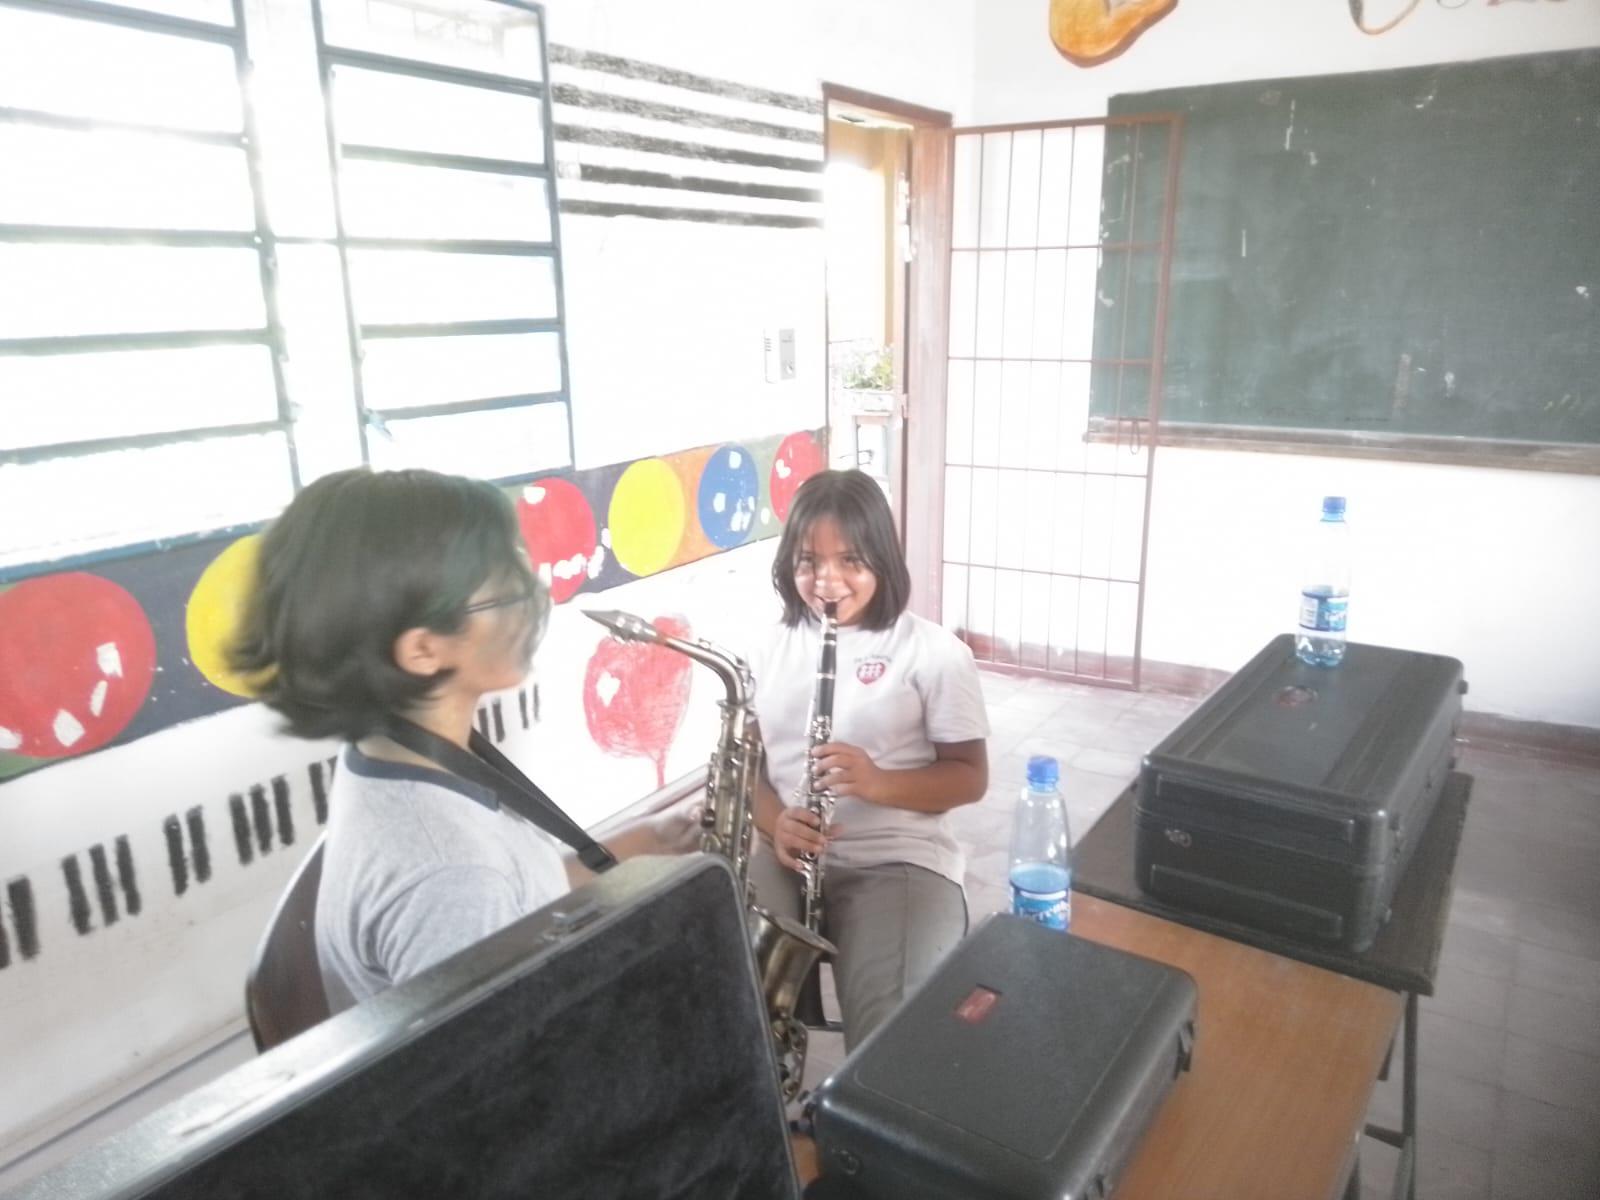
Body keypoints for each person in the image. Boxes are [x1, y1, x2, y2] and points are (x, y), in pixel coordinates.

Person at [233, 467, 695, 1012]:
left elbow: (516, 904)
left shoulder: (390, 753)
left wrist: (636, 844)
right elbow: (509, 1079)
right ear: (423, 650)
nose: (536, 593)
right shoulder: (451, 878)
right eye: (506, 587)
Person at [747, 470, 989, 1051]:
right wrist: (774, 822)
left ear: (882, 559)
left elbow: (970, 777)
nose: (827, 580)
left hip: (899, 861)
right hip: (790, 861)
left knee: (891, 1025)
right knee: (727, 987)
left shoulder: (934, 654)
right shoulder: (766, 647)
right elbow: (746, 768)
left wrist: (877, 782)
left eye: (850, 560)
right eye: (809, 561)